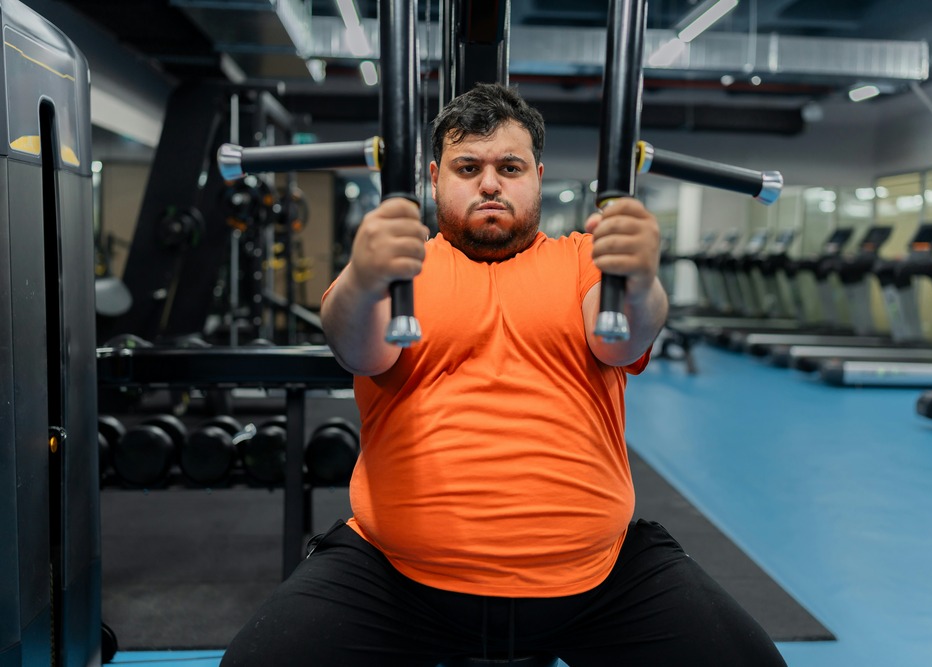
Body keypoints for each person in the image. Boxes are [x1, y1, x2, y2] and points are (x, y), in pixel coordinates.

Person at [221, 83, 786, 667]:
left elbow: (622, 340)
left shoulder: (581, 258)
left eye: (509, 167)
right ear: (436, 176)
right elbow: (356, 350)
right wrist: (365, 277)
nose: (490, 183)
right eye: (469, 167)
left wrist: (641, 279)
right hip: (399, 580)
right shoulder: (397, 266)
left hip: (597, 580)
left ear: (537, 175)